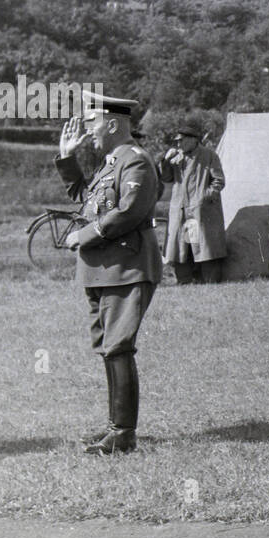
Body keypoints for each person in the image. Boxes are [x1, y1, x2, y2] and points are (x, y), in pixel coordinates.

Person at [55, 91, 162, 455]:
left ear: (113, 123)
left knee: (118, 346)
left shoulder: (136, 161)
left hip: (126, 267)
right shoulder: (110, 163)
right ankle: (115, 426)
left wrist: (83, 235)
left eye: (92, 123)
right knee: (108, 347)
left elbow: (129, 211)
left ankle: (123, 433)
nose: (88, 131)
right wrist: (67, 157)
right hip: (103, 269)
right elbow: (84, 197)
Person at [158, 117, 227, 284]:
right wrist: (165, 161)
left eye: (181, 141)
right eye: (177, 141)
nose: (179, 145)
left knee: (203, 246)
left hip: (201, 210)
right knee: (181, 246)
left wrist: (204, 197)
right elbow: (166, 178)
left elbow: (219, 181)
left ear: (193, 140)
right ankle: (184, 280)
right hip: (180, 209)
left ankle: (208, 280)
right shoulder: (176, 157)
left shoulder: (209, 156)